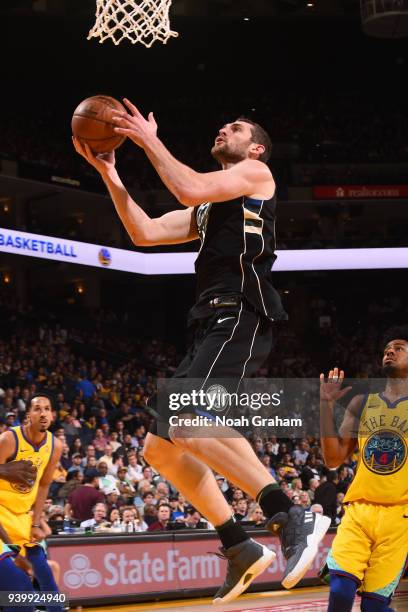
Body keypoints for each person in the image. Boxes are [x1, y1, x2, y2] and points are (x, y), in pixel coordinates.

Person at [73, 107, 330, 603]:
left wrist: (148, 140)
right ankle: (238, 545)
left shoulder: (256, 174)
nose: (223, 128)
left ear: (255, 147)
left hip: (241, 311)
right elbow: (143, 232)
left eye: (235, 128)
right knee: (159, 448)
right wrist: (110, 172)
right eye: (224, 124)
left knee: (190, 418)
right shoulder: (210, 209)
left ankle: (289, 512)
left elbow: (189, 186)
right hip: (209, 320)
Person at [320, 328, 408, 612]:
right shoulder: (362, 403)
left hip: (400, 517)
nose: (390, 351)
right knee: (340, 590)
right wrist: (325, 405)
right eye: (387, 349)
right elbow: (333, 459)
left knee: (374, 607)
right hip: (359, 510)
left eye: (399, 348)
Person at [0, 394, 63, 612]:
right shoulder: (9, 440)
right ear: (28, 416)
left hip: (24, 518)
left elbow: (44, 485)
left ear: (52, 415)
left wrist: (36, 523)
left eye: (47, 408)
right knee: (20, 595)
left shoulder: (55, 446)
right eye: (37, 408)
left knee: (53, 597)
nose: (43, 413)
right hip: (1, 514)